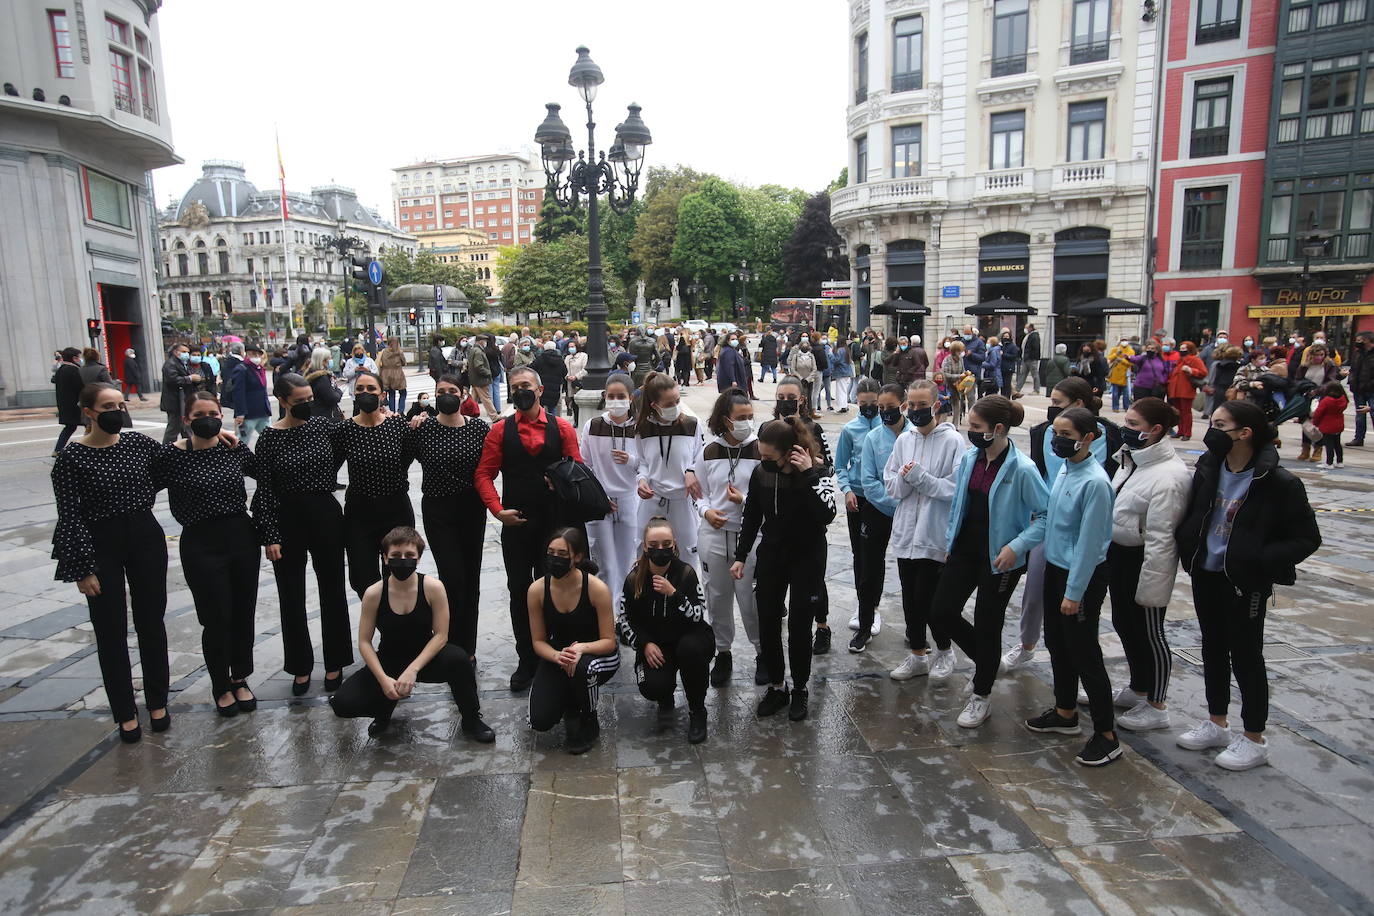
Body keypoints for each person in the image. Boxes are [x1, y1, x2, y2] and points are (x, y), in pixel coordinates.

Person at [1174, 400, 1320, 770]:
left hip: (1245, 582)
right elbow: (1198, 514)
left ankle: (1254, 736)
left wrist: (1258, 558)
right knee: (1212, 648)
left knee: (1247, 656)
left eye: (1220, 424)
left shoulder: (1279, 482)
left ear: (1244, 433)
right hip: (1207, 572)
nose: (1212, 429)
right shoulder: (1210, 467)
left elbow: (1306, 538)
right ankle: (1217, 721)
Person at [51, 383, 170, 742]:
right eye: (108, 406)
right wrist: (82, 568)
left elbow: (177, 460)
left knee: (152, 621)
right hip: (100, 542)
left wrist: (215, 432)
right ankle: (124, 710)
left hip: (144, 535)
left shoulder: (138, 444)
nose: (118, 411)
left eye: (120, 404)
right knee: (110, 628)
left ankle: (158, 701)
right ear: (88, 412)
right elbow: (69, 516)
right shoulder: (72, 459)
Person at [932, 395, 1047, 728]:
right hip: (965, 548)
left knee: (988, 623)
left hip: (1001, 557)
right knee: (941, 611)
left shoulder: (1022, 468)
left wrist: (1017, 546)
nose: (971, 432)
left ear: (998, 429)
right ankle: (987, 662)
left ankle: (981, 695)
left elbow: (1044, 514)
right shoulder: (971, 457)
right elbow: (959, 503)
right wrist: (950, 540)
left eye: (976, 427)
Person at [475, 365, 585, 693]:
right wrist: (497, 510)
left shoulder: (562, 427)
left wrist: (564, 480)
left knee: (559, 587)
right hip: (518, 524)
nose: (521, 391)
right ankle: (527, 657)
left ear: (539, 390)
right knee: (520, 591)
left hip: (556, 525)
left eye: (526, 385)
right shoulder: (499, 431)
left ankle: (560, 651)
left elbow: (578, 470)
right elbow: (484, 473)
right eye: (515, 386)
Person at [1019, 406, 1120, 765]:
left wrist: (1074, 594)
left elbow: (1092, 544)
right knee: (1057, 643)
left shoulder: (1095, 482)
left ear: (1088, 438)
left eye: (1065, 434)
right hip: (1057, 567)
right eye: (1054, 433)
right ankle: (1064, 712)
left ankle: (1107, 734)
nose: (1057, 440)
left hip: (1083, 575)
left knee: (1084, 653)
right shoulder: (1065, 468)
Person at [152, 392, 262, 717]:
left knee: (243, 611)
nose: (209, 418)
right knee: (215, 617)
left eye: (214, 412)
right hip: (200, 542)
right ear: (186, 420)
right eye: (200, 414)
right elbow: (139, 485)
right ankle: (220, 684)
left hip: (240, 536)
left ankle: (240, 676)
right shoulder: (171, 456)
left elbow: (265, 475)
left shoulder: (233, 448)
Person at [331, 526, 495, 741]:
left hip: (426, 658)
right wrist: (382, 679)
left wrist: (413, 669)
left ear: (418, 559)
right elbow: (364, 641)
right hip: (390, 659)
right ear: (385, 558)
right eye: (396, 555)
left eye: (410, 555)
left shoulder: (432, 587)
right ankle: (384, 707)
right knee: (343, 703)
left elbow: (441, 635)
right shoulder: (374, 593)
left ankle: (471, 718)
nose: (403, 560)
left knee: (459, 660)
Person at [1003, 378, 1119, 676]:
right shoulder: (1044, 433)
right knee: (1036, 588)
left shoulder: (1110, 439)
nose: (1051, 408)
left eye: (1057, 402)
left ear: (1079, 404)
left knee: (1080, 606)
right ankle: (1027, 644)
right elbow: (1040, 473)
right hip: (1050, 522)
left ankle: (1082, 665)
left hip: (1090, 524)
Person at [731, 417, 837, 722]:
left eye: (769, 457)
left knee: (801, 625)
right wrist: (740, 556)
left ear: (791, 451)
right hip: (772, 555)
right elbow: (751, 516)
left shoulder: (818, 471)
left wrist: (807, 475)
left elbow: (826, 514)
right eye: (760, 456)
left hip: (808, 557)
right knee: (767, 621)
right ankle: (778, 686)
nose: (763, 462)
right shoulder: (761, 474)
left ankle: (800, 687)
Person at [252, 373, 351, 696]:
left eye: (310, 399)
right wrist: (269, 534)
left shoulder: (323, 427)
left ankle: (336, 661)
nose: (308, 405)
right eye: (300, 402)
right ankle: (300, 666)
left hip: (324, 512)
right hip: (286, 518)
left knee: (333, 589)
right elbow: (263, 489)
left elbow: (359, 431)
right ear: (282, 401)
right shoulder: (268, 438)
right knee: (290, 595)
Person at [1107, 398, 1191, 732]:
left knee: (1150, 632)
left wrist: (1154, 587)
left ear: (1155, 430)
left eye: (1133, 423)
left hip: (1145, 560)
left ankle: (1157, 704)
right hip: (1120, 554)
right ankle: (1138, 686)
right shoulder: (1132, 461)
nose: (1125, 428)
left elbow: (1162, 538)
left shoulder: (1169, 476)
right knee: (1124, 622)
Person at [883, 380, 963, 681]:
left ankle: (944, 650)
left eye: (921, 405)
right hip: (906, 532)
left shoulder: (953, 442)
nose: (916, 411)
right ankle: (917, 653)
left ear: (936, 405)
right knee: (909, 598)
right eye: (911, 405)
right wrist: (908, 479)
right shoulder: (904, 440)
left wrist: (921, 478)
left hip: (934, 533)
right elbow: (891, 483)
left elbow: (954, 489)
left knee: (930, 601)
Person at [410, 374, 490, 657]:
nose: (446, 395)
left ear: (463, 394)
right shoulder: (423, 429)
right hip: (438, 510)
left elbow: (491, 466)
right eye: (440, 391)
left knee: (471, 578)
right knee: (452, 577)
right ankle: (450, 641)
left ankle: (467, 647)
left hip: (471, 508)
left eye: (452, 390)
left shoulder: (478, 428)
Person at [616, 517, 713, 743]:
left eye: (666, 544)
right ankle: (665, 695)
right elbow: (624, 620)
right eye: (654, 545)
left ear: (675, 545)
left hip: (689, 638)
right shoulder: (634, 579)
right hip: (657, 643)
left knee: (691, 651)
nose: (660, 550)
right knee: (652, 686)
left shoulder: (686, 573)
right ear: (645, 547)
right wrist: (644, 643)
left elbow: (698, 615)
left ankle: (698, 710)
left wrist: (674, 594)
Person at [693, 388, 764, 687]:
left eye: (750, 417)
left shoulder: (761, 450)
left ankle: (763, 652)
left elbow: (766, 495)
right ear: (725, 419)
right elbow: (700, 494)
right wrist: (706, 512)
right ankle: (723, 653)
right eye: (740, 418)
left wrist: (744, 500)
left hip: (751, 537)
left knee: (752, 599)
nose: (746, 423)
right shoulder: (709, 451)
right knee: (717, 596)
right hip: (714, 533)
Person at [527, 527, 620, 754]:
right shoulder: (537, 589)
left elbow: (609, 641)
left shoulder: (596, 588)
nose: (554, 559)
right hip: (559, 655)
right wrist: (558, 656)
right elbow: (538, 642)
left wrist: (581, 649)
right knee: (540, 721)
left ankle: (589, 717)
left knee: (582, 669)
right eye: (551, 553)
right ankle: (570, 704)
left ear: (577, 557)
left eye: (562, 554)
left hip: (596, 654)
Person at [331, 371, 416, 599]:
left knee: (400, 575)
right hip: (360, 513)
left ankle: (396, 631)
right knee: (362, 578)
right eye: (360, 389)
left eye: (371, 389)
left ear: (382, 394)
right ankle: (377, 621)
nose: (365, 393)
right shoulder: (343, 430)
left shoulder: (397, 426)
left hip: (396, 508)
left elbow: (406, 459)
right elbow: (329, 467)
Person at [849, 383, 911, 652]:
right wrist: (893, 503)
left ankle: (915, 628)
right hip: (877, 509)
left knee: (912, 571)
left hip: (911, 512)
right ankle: (864, 625)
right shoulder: (874, 437)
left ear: (904, 405)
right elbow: (869, 480)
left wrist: (906, 506)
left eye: (889, 407)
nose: (884, 412)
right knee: (868, 569)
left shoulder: (915, 436)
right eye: (881, 408)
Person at [581, 375, 641, 612]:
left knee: (627, 562)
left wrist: (632, 460)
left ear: (631, 397)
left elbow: (647, 465)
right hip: (600, 501)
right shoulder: (593, 426)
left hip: (629, 498)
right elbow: (585, 464)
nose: (616, 401)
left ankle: (625, 614)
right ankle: (608, 616)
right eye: (611, 396)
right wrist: (598, 497)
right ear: (605, 396)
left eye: (621, 397)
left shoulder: (639, 427)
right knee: (604, 564)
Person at [635, 373, 705, 566]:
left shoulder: (692, 424)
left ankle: (686, 595)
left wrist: (691, 471)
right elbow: (643, 463)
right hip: (652, 499)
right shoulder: (643, 428)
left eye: (678, 401)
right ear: (654, 406)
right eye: (668, 404)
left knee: (688, 551)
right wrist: (641, 480)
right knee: (645, 551)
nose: (675, 407)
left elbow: (699, 457)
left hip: (683, 499)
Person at [836, 378, 882, 618]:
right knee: (859, 553)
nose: (868, 407)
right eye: (863, 403)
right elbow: (840, 464)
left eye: (873, 403)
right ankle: (862, 601)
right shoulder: (850, 429)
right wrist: (846, 490)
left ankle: (873, 604)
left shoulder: (889, 428)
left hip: (882, 499)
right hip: (857, 496)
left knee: (877, 554)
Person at [229, 343, 271, 447]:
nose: (256, 357)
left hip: (262, 411)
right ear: (246, 354)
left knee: (270, 439)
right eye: (253, 354)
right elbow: (238, 392)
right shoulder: (241, 369)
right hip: (248, 413)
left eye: (258, 355)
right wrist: (240, 413)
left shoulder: (259, 369)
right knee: (243, 441)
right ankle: (238, 461)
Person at [160, 343, 201, 443]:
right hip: (175, 403)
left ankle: (188, 449)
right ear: (175, 352)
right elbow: (173, 380)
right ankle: (166, 451)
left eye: (187, 352)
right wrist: (190, 378)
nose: (186, 354)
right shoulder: (170, 364)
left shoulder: (183, 364)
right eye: (183, 352)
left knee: (186, 428)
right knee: (173, 429)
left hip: (183, 401)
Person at [1166, 341, 1207, 440]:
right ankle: (1180, 431)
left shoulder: (1194, 359)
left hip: (1186, 390)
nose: (1181, 350)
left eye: (1184, 349)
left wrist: (1191, 370)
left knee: (1186, 413)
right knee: (1178, 412)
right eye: (1181, 348)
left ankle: (1187, 433)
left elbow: (1203, 372)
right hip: (1175, 390)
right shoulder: (1179, 360)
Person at [51, 347, 85, 455]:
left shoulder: (61, 369)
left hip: (64, 404)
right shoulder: (73, 370)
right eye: (79, 357)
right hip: (75, 404)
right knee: (89, 425)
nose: (80, 359)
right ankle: (88, 448)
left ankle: (58, 449)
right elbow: (80, 387)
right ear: (74, 358)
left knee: (70, 427)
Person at [1311, 381, 1348, 469]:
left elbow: (1318, 413)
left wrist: (1315, 423)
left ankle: (1329, 463)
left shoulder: (1326, 400)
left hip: (1327, 425)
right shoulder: (1343, 399)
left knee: (1329, 444)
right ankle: (1339, 461)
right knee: (1337, 444)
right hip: (1339, 424)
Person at [1346, 331, 1374, 447]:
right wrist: (1351, 380)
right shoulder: (1358, 353)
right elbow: (1353, 368)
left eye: (1360, 340)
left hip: (1371, 389)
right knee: (1359, 415)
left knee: (1373, 412)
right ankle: (1358, 438)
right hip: (1358, 388)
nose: (1357, 342)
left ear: (1367, 340)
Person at [532, 341, 568, 416]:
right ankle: (552, 423)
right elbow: (565, 372)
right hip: (555, 388)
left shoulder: (540, 359)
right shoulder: (560, 360)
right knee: (552, 408)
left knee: (540, 408)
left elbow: (532, 369)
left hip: (542, 386)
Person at [305, 347, 341, 419]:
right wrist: (339, 392)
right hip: (325, 415)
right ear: (323, 361)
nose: (331, 361)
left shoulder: (309, 373)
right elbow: (332, 398)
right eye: (329, 358)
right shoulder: (321, 378)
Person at [376, 337, 408, 415]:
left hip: (386, 374)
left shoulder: (384, 351)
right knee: (403, 393)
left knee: (391, 394)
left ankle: (392, 411)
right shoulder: (399, 352)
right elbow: (404, 362)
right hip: (398, 374)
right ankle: (400, 411)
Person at [1106, 338, 1135, 412]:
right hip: (1115, 374)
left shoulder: (1131, 351)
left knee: (1126, 394)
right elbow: (1109, 359)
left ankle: (1126, 407)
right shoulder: (1115, 349)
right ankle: (1115, 407)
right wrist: (1116, 354)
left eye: (1125, 340)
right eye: (1123, 341)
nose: (1124, 342)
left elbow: (1131, 362)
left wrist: (1122, 360)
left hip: (1125, 375)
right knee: (1115, 393)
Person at [1018, 323, 1042, 395]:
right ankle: (1018, 388)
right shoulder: (1029, 335)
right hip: (1026, 358)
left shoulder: (1034, 336)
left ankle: (1036, 390)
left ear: (1031, 328)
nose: (1025, 329)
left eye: (1026, 327)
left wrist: (1030, 357)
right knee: (1023, 373)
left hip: (1031, 359)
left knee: (1034, 374)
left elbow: (1035, 348)